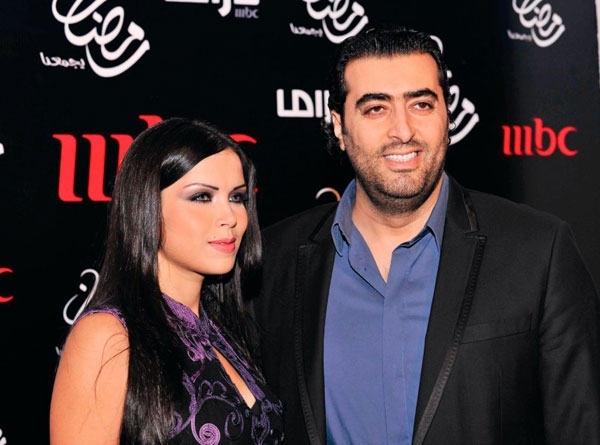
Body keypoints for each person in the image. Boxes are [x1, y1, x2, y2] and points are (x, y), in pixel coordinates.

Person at [246, 25, 600, 444]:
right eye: (376, 108)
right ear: (339, 127)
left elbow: (580, 428)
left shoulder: (538, 251)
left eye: (421, 104)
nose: (403, 130)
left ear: (447, 115)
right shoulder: (274, 260)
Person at [49, 117, 284, 444]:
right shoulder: (108, 336)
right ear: (147, 206)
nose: (230, 217)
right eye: (202, 197)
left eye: (237, 197)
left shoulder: (228, 329)